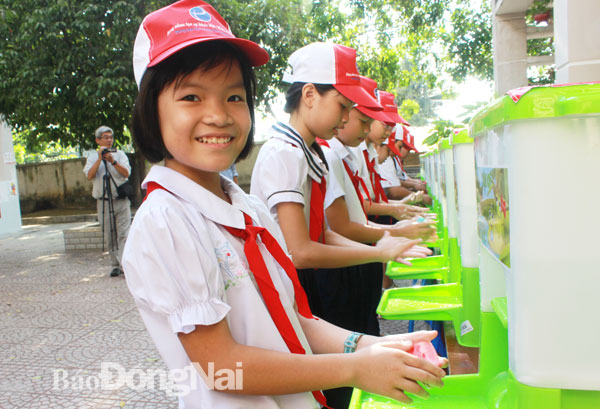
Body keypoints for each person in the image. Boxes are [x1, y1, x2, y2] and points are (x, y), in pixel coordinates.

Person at [123, 3, 447, 408]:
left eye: (234, 97)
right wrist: (354, 367)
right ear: (151, 109)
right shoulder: (166, 223)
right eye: (191, 96)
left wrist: (370, 346)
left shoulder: (248, 209)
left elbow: (295, 320)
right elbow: (220, 366)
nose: (219, 115)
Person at [250, 43, 439, 408]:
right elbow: (301, 250)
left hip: (306, 280)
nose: (348, 115)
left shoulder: (308, 151)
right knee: (330, 384)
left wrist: (379, 247)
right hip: (294, 281)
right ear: (309, 95)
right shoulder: (284, 154)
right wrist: (377, 248)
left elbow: (322, 233)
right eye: (343, 104)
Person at [83, 125, 131, 277]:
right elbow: (89, 175)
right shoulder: (92, 157)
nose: (109, 140)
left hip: (121, 200)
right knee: (110, 234)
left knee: (124, 234)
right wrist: (99, 159)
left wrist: (113, 162)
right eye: (105, 137)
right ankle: (114, 264)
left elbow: (126, 173)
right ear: (98, 140)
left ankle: (125, 264)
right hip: (103, 201)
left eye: (111, 137)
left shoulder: (120, 154)